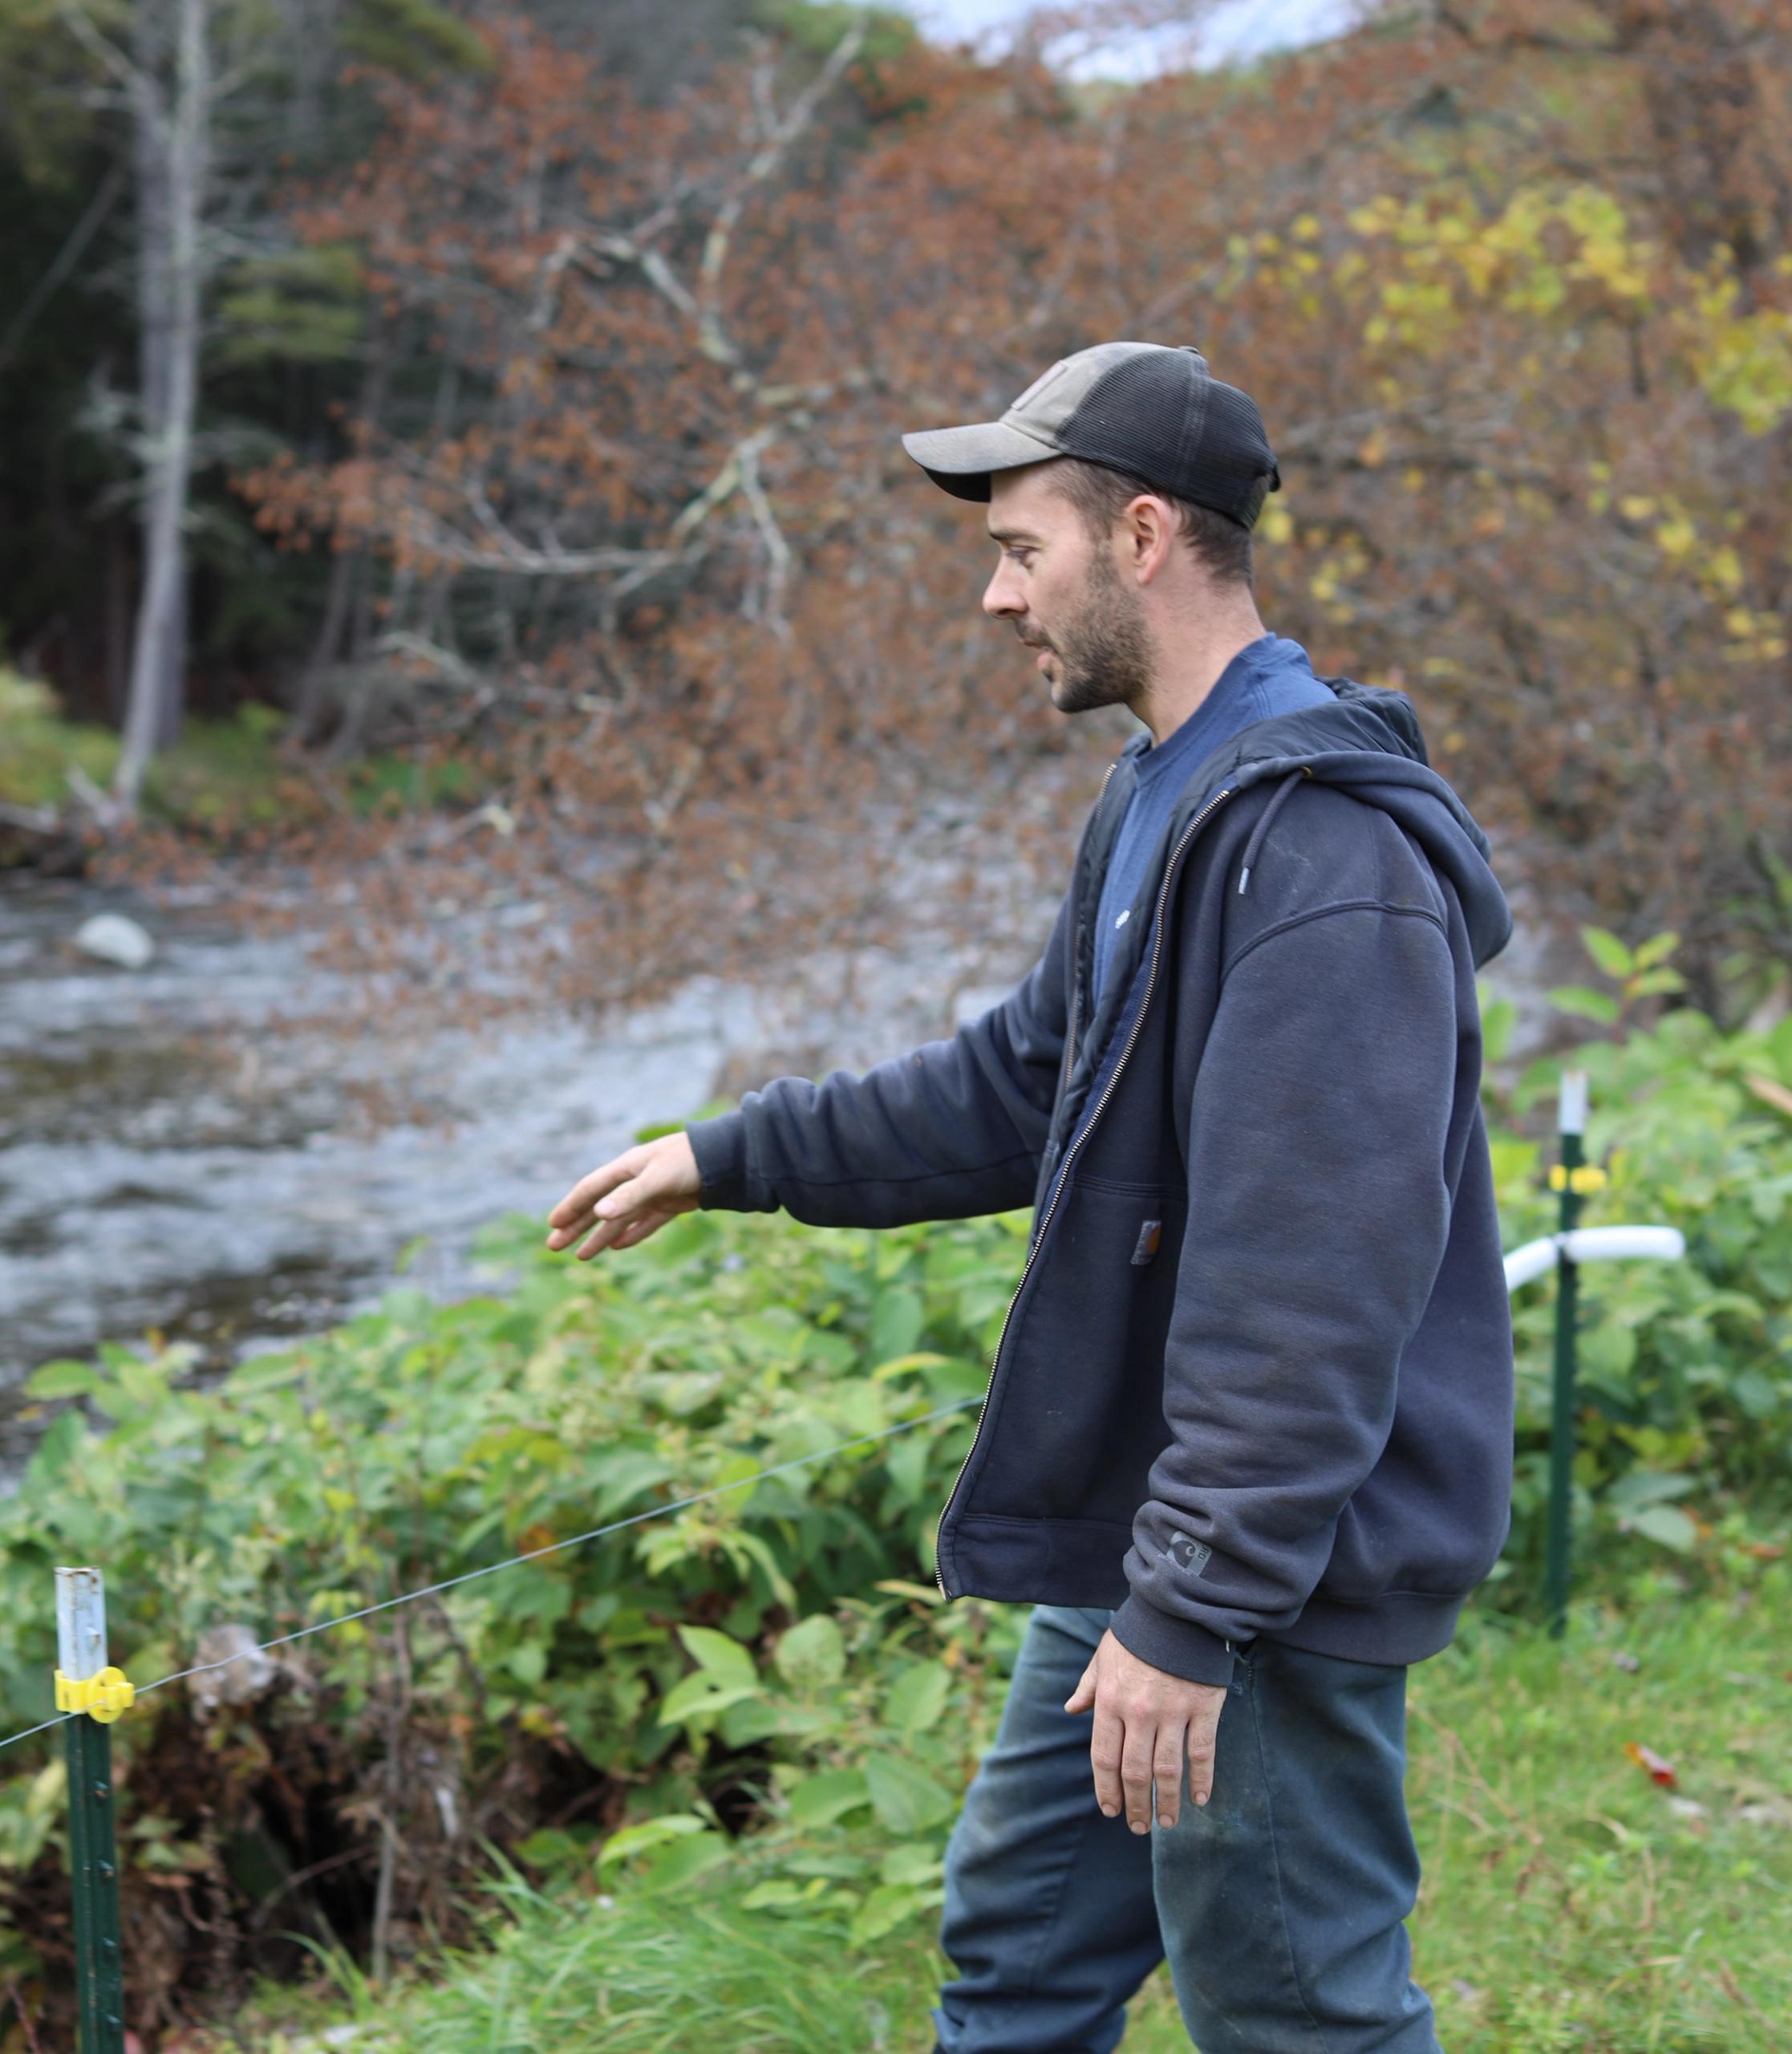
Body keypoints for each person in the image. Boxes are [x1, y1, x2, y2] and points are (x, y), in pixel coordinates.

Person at [544, 342, 1517, 2054]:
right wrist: (733, 1155)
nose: (996, 597)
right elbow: (1022, 1085)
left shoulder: (1320, 850)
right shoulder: (1165, 791)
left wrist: (1193, 1607)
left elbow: (1315, 1282)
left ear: (1142, 535)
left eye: (1020, 549)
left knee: (1297, 2011)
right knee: (1019, 1957)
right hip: (1166, 1522)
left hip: (1265, 1562)